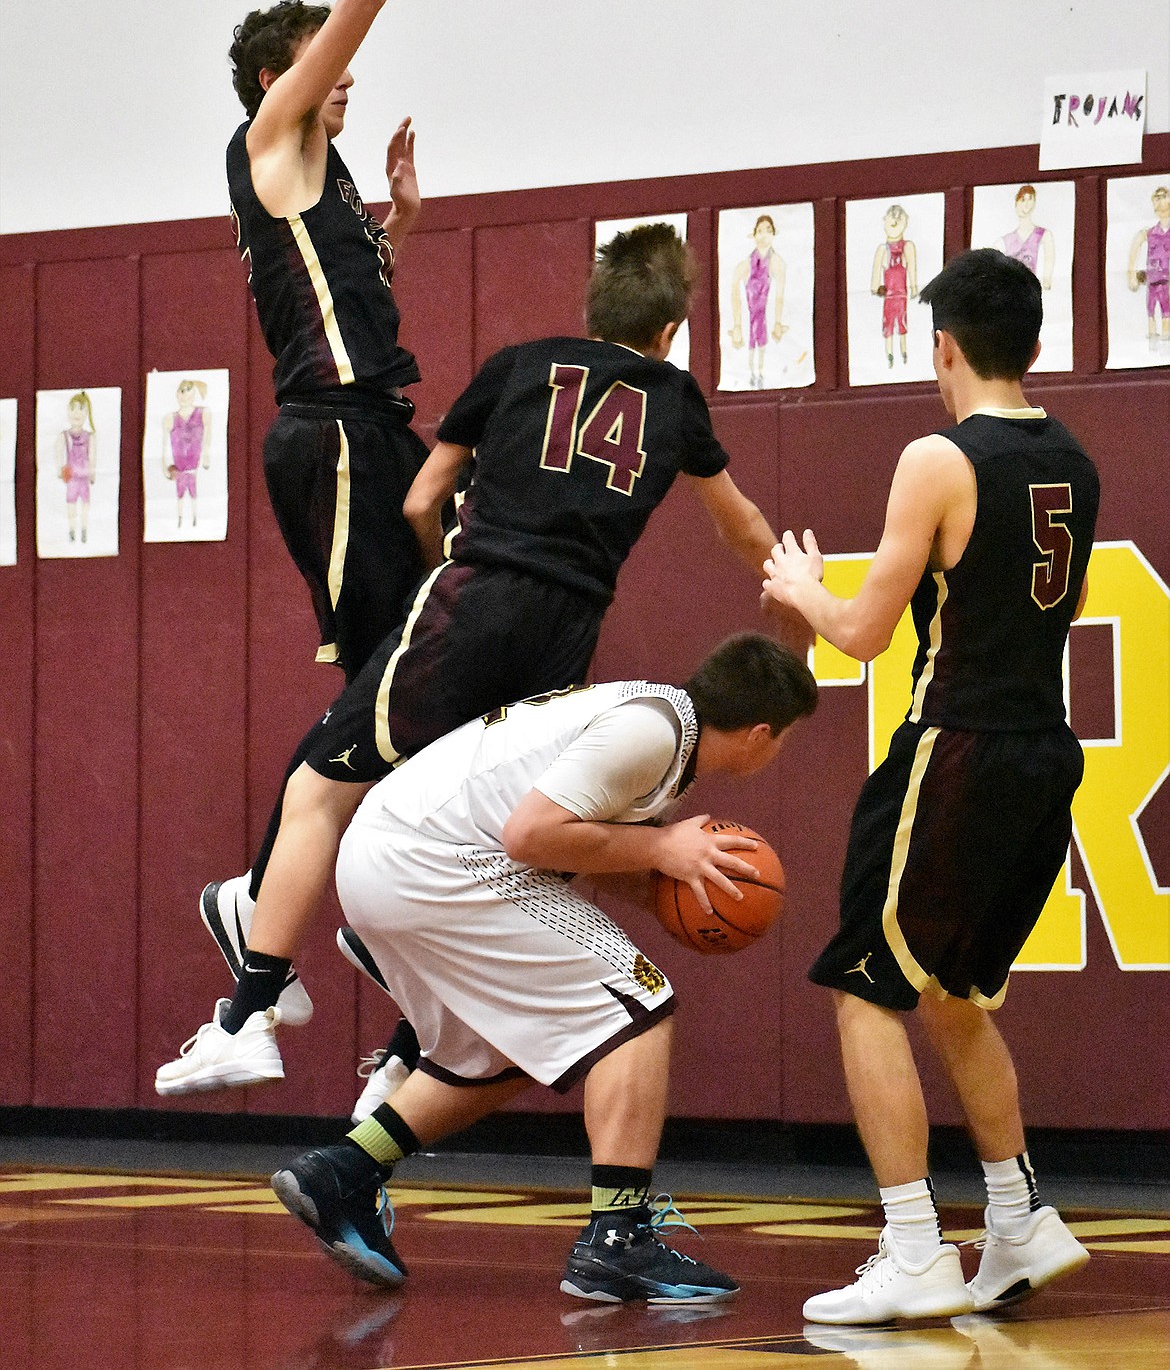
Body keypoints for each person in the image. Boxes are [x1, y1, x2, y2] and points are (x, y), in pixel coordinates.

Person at [157, 224, 801, 1098]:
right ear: (670, 330)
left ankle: (251, 1013)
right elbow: (742, 526)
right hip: (569, 632)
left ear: (592, 307)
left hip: (479, 597)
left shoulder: (520, 362)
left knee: (319, 788)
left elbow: (424, 496)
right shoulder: (676, 398)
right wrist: (791, 592)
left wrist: (438, 568)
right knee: (481, 827)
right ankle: (405, 1049)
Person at [268, 633, 818, 1302]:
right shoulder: (650, 734)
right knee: (639, 1007)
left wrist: (667, 882)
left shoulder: (656, 721)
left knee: (502, 1052)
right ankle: (615, 1240)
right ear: (762, 732)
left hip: (393, 859)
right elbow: (530, 834)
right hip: (437, 862)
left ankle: (342, 1170)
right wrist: (665, 844)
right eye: (786, 738)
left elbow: (580, 844)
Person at [762, 248, 1098, 1326]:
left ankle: (913, 1246)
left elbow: (861, 637)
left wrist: (802, 589)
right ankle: (1018, 1220)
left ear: (940, 345)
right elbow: (1059, 602)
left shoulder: (937, 459)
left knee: (867, 992)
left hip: (954, 746)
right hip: (1045, 750)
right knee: (958, 998)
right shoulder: (1077, 464)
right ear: (1035, 346)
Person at [227, 0, 429, 685]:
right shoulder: (271, 139)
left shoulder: (322, 174)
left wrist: (403, 220)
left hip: (374, 425)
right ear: (278, 80)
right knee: (380, 678)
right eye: (324, 60)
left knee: (433, 646)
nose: (347, 75)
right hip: (330, 430)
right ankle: (312, 816)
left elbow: (352, 292)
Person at [728, 213, 787, 388]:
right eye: (760, 231)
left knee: (763, 347)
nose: (764, 235)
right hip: (748, 315)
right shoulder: (746, 264)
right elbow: (734, 288)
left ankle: (760, 373)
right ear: (754, 235)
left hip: (765, 316)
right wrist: (737, 324)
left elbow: (779, 296)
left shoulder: (777, 262)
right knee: (750, 347)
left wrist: (778, 321)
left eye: (768, 230)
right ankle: (753, 374)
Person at [871, 205, 918, 370]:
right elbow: (875, 275)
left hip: (901, 296)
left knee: (902, 325)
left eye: (899, 217)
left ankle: (904, 354)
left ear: (906, 222)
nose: (895, 219)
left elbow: (912, 269)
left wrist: (914, 288)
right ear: (884, 221)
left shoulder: (908, 247)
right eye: (891, 216)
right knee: (888, 327)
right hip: (889, 298)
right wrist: (876, 288)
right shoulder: (882, 250)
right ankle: (890, 355)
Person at [163, 378, 211, 529]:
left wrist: (206, 455)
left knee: (194, 494)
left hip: (195, 467)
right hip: (179, 467)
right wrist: (164, 464)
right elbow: (164, 444)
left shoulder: (203, 413)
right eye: (182, 393)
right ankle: (180, 519)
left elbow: (208, 435)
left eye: (189, 394)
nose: (185, 398)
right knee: (180, 495)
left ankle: (196, 519)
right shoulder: (170, 418)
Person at [1127, 183, 1170, 348]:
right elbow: (1135, 248)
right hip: (1153, 281)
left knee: (1167, 314)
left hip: (1167, 282)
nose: (1160, 201)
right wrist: (1132, 275)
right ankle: (1153, 347)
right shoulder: (1150, 232)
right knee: (1151, 313)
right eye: (1157, 198)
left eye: (1163, 197)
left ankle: (1166, 348)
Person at [998, 184, 1054, 288]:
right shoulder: (1006, 240)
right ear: (1016, 203)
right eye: (1023, 200)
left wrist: (1046, 280)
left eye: (1030, 199)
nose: (1026, 204)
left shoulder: (1043, 235)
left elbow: (1048, 263)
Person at [59, 391, 96, 545]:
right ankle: (72, 530)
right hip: (72, 478)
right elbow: (61, 456)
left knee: (85, 506)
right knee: (72, 506)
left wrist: (92, 474)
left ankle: (84, 529)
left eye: (81, 408)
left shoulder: (90, 436)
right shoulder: (64, 436)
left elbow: (92, 456)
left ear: (87, 413)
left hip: (85, 477)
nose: (77, 413)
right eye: (73, 408)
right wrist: (63, 473)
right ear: (68, 411)